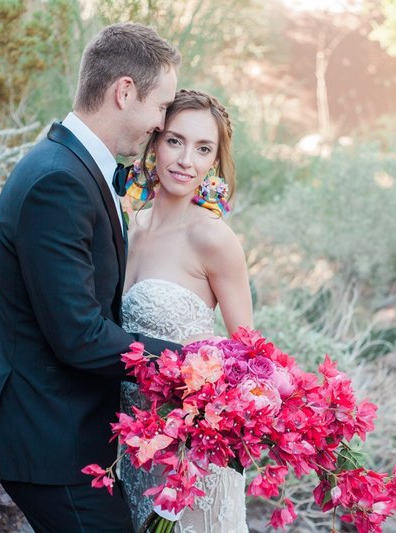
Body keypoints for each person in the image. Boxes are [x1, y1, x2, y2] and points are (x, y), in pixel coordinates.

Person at [0, 23, 184, 532]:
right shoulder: (58, 182)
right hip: (50, 442)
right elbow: (79, 335)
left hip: (68, 432)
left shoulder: (73, 167)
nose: (160, 124)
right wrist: (189, 364)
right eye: (161, 107)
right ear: (125, 92)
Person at [117, 89, 253, 532]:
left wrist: (200, 436)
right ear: (155, 142)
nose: (186, 160)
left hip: (192, 458)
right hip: (133, 446)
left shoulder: (213, 239)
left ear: (214, 161)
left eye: (203, 148)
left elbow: (248, 358)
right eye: (175, 141)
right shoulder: (129, 226)